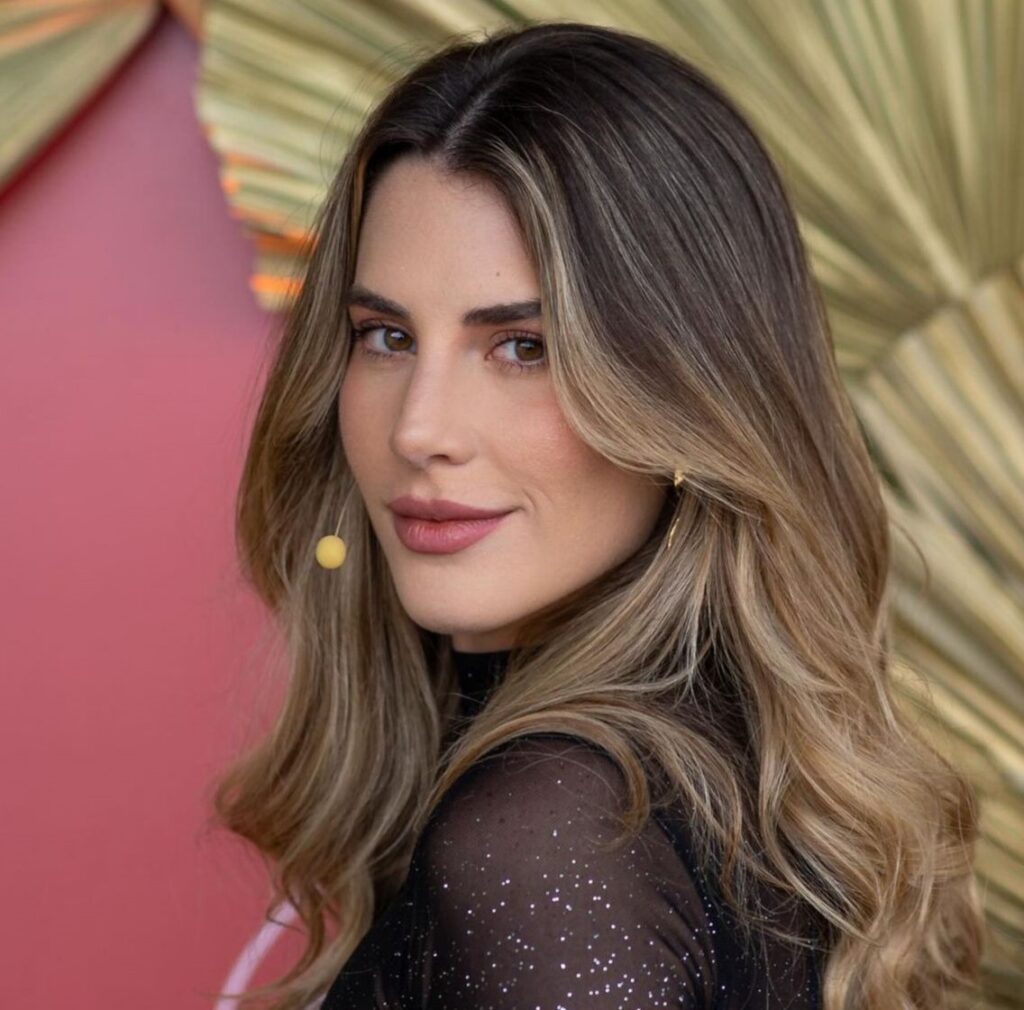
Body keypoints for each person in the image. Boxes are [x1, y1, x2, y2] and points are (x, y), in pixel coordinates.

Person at [211, 20, 983, 1010]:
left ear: (688, 393)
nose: (419, 428)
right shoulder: (706, 782)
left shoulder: (553, 840)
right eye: (386, 336)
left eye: (523, 347)